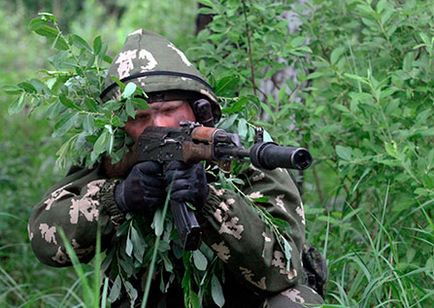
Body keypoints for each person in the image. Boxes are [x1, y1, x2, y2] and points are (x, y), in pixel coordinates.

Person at [28, 29, 324, 307]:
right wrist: (118, 198)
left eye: (169, 111)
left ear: (198, 108)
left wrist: (210, 201)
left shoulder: (240, 154)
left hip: (239, 299)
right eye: (141, 117)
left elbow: (283, 271)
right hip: (147, 298)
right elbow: (46, 241)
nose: (158, 125)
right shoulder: (112, 155)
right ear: (119, 124)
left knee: (296, 300)